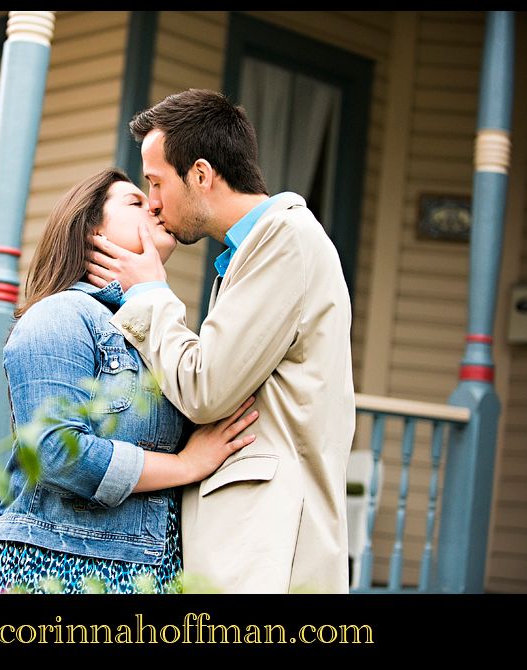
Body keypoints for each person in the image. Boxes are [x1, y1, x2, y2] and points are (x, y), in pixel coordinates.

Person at [86, 89, 356, 593]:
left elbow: (206, 388)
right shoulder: (253, 251)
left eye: (157, 182)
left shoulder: (285, 240)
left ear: (203, 175)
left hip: (269, 550)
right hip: (253, 542)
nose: (155, 204)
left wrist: (148, 293)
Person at [0, 167, 259, 594]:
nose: (156, 205)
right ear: (91, 230)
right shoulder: (60, 314)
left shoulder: (151, 327)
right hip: (54, 565)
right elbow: (53, 451)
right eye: (136, 202)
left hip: (147, 572)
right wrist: (186, 465)